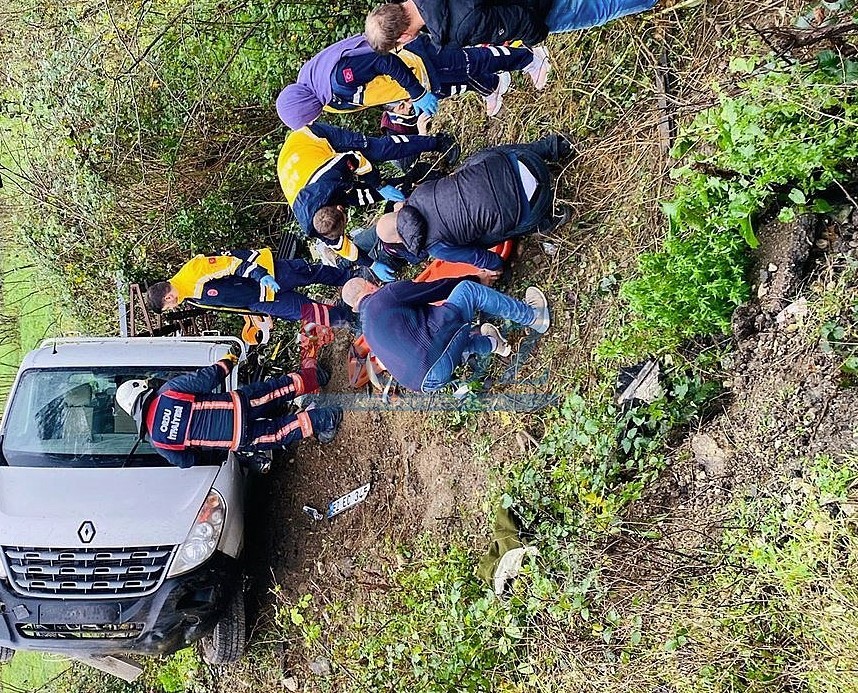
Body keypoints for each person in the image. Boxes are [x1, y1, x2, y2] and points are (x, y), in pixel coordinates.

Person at [277, 121, 457, 274]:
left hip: (308, 140)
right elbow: (346, 249)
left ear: (339, 208)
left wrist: (380, 185)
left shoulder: (333, 173)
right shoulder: (320, 229)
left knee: (375, 150)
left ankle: (438, 142)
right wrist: (372, 265)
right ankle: (414, 179)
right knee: (362, 196)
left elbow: (357, 158)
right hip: (297, 175)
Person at [374, 134, 573, 272]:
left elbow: (482, 257)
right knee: (473, 165)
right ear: (398, 209)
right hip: (528, 161)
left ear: (400, 241)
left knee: (476, 239)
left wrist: (496, 268)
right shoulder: (419, 192)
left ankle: (549, 219)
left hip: (536, 204)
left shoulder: (436, 248)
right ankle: (553, 147)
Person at [115, 354, 343, 469]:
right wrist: (228, 361)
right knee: (276, 391)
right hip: (238, 406)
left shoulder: (159, 442)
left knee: (280, 432)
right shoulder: (168, 392)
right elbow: (207, 379)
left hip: (235, 438)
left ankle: (326, 418)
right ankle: (317, 377)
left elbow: (187, 461)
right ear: (142, 389)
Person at [276, 32, 548, 128]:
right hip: (412, 81)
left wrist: (416, 93)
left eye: (306, 118)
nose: (312, 121)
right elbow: (373, 91)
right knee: (457, 80)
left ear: (305, 107)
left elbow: (382, 60)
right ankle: (492, 86)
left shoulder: (335, 79)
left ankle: (530, 58)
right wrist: (406, 98)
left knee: (471, 60)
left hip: (413, 59)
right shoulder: (321, 93)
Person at [341, 276, 550, 392]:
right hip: (436, 356)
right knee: (468, 290)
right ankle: (533, 316)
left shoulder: (367, 332)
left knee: (439, 341)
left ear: (354, 309)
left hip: (426, 384)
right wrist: (477, 278)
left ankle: (494, 345)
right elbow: (436, 288)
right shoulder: (387, 295)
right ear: (369, 285)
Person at [146, 248, 354, 328]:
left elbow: (232, 264)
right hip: (260, 300)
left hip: (267, 274)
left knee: (309, 273)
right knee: (306, 311)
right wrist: (253, 313)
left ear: (167, 299)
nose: (173, 309)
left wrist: (260, 275)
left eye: (168, 308)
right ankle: (348, 318)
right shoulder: (189, 298)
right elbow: (227, 304)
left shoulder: (192, 272)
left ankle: (347, 277)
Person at [364, 0, 656, 53]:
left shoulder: (460, 27)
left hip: (543, 7)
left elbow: (518, 22)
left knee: (603, 6)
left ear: (403, 35)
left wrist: (536, 37)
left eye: (399, 45)